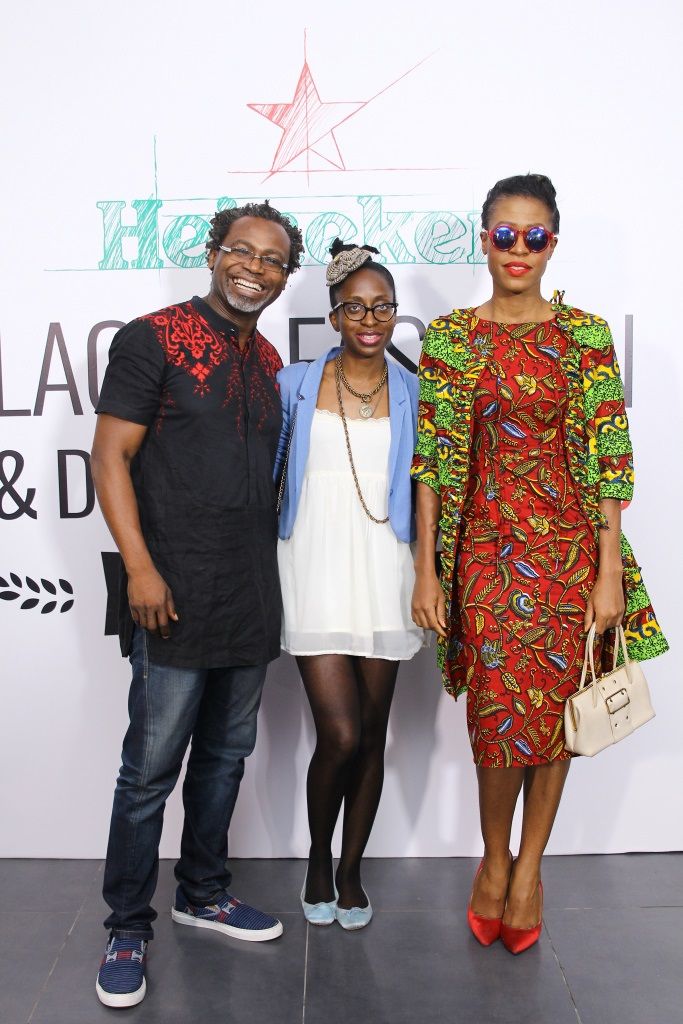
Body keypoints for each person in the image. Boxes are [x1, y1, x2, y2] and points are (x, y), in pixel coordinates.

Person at [411, 174, 667, 954]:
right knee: (496, 713)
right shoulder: (451, 337)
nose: (517, 249)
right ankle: (492, 861)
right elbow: (432, 460)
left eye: (533, 236)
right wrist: (426, 569)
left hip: (566, 554)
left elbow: (610, 456)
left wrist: (607, 572)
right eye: (503, 234)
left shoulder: (584, 334)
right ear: (483, 240)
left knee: (557, 715)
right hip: (484, 552)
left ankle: (529, 871)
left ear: (552, 243)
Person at [90, 201, 304, 1007]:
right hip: (170, 592)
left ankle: (204, 892)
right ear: (213, 254)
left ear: (285, 276)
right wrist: (140, 570)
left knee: (225, 756)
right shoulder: (152, 338)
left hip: (248, 593)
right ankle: (126, 926)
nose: (255, 268)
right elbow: (109, 456)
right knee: (149, 771)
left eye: (273, 259)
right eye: (240, 251)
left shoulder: (268, 357)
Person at [276, 240, 423, 930]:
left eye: (382, 306)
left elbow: (430, 490)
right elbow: (264, 475)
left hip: (385, 570)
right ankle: (316, 858)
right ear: (333, 315)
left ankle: (350, 870)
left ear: (395, 313)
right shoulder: (294, 385)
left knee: (371, 734)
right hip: (312, 566)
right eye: (355, 307)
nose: (370, 319)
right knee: (338, 732)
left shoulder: (415, 393)